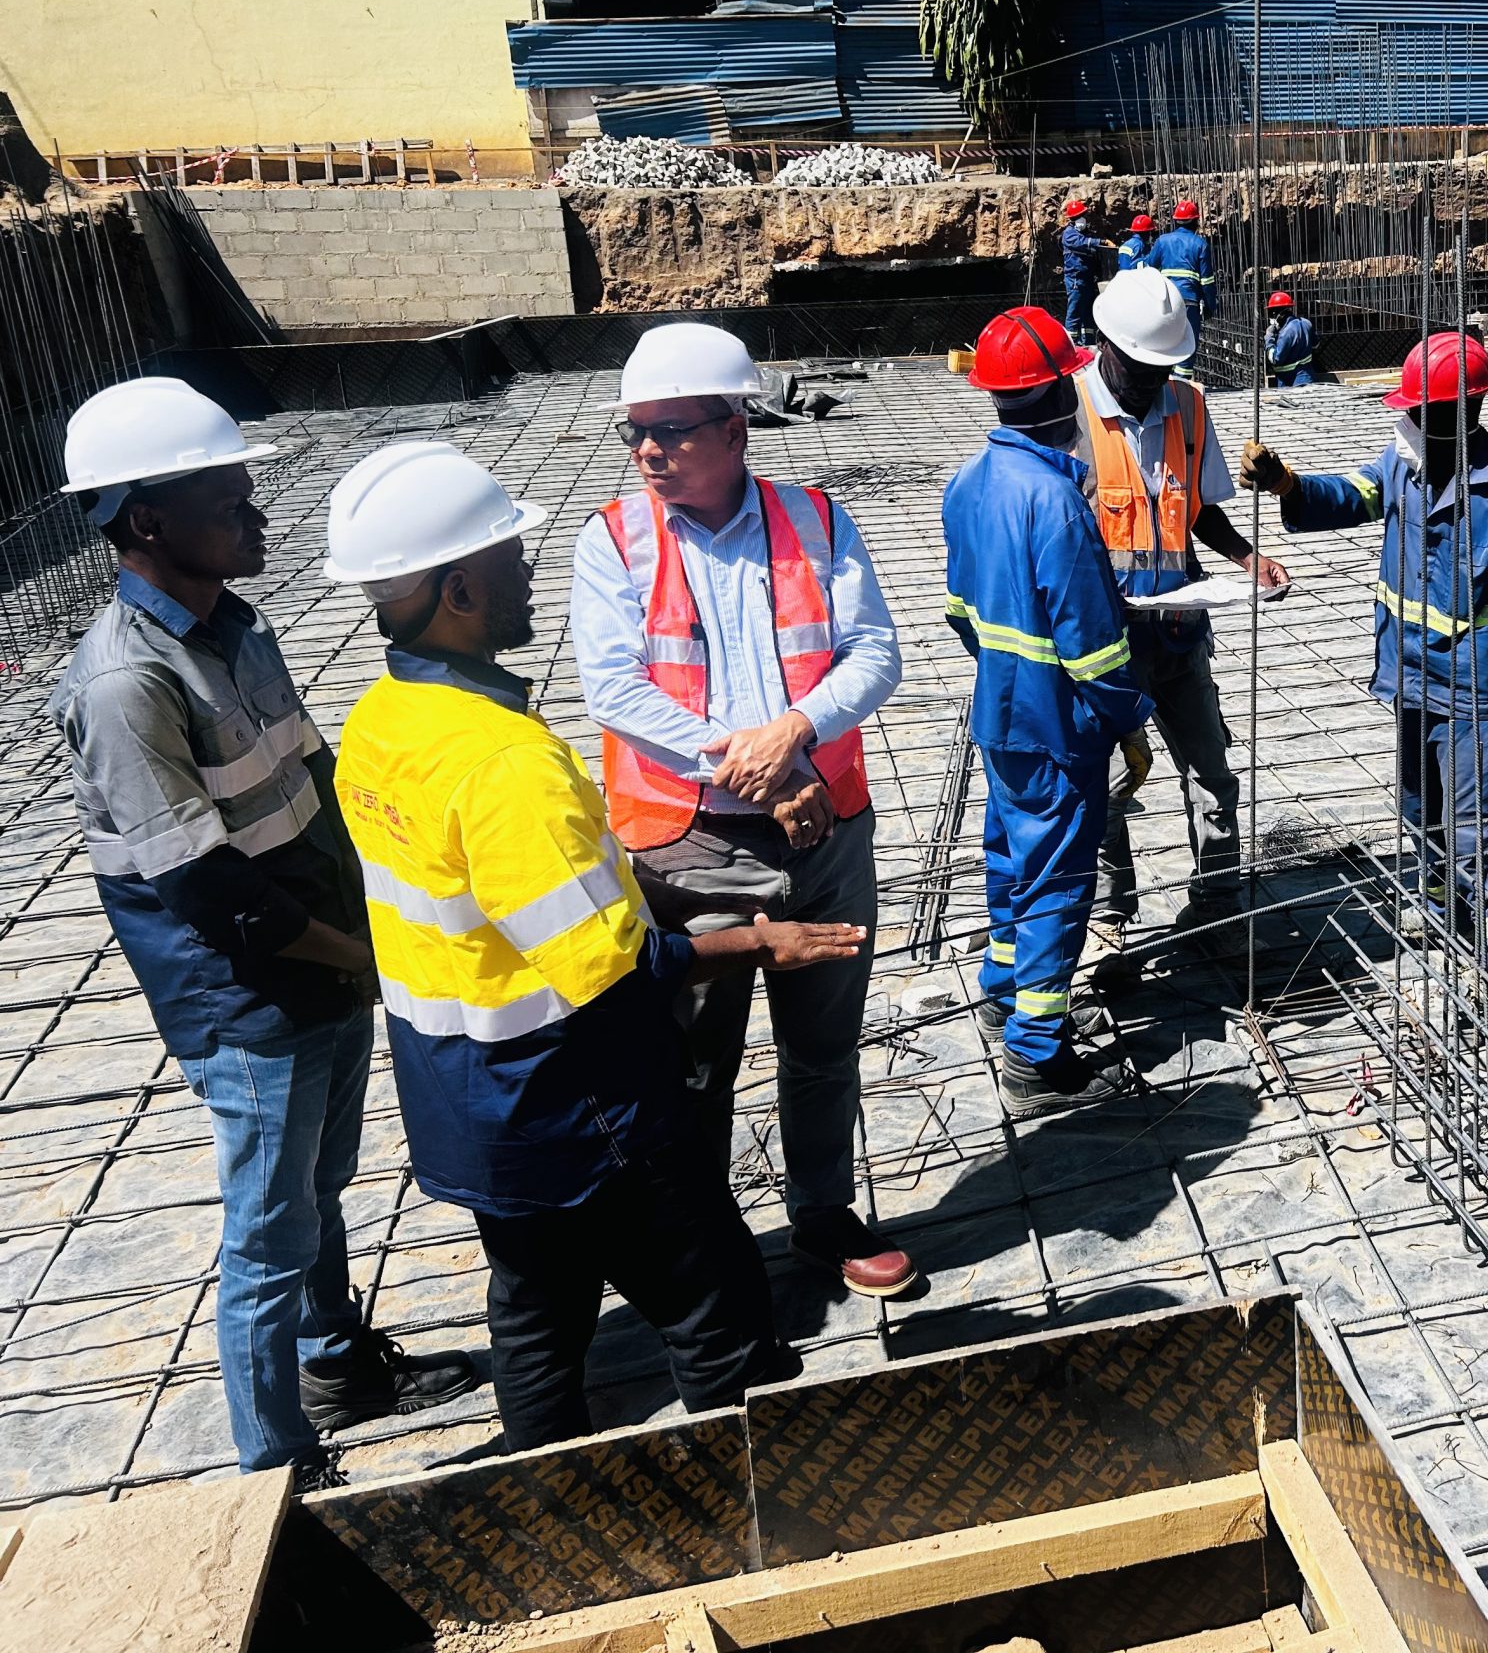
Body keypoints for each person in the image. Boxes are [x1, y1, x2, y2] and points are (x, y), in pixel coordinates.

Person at [326, 441, 845, 1452]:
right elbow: (610, 969)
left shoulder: (381, 721)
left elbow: (500, 897)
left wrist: (639, 882)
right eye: (514, 558)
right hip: (577, 1102)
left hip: (462, 1101)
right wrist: (757, 941)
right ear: (459, 587)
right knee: (719, 1312)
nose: (531, 573)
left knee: (536, 1313)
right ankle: (758, 1517)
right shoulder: (503, 761)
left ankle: (553, 1497)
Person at [47, 379, 470, 1492]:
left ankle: (339, 1367)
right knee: (267, 1231)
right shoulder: (128, 681)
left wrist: (382, 902)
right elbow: (208, 894)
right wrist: (362, 954)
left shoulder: (236, 627)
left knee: (316, 1188)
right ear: (147, 521)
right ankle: (275, 1465)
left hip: (318, 957)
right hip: (243, 995)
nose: (257, 517)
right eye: (229, 501)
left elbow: (309, 780)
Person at [569, 322, 910, 1299]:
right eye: (636, 431)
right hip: (694, 847)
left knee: (822, 1047)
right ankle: (707, 1248)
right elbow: (615, 692)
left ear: (736, 429)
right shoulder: (614, 540)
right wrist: (760, 768)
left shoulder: (815, 520)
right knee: (693, 1064)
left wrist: (794, 730)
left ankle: (822, 1214)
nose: (648, 451)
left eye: (672, 431)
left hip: (825, 836)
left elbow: (874, 653)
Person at [1238, 333, 1488, 977]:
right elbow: (1347, 497)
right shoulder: (1401, 466)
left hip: (1470, 692)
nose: (1406, 421)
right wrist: (1288, 485)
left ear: (1459, 416)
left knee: (1481, 828)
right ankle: (1443, 909)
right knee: (1418, 811)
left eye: (1420, 411)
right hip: (1407, 680)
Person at [944, 306, 1156, 1115]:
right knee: (1061, 884)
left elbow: (962, 611)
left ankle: (1006, 989)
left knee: (1012, 861)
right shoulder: (1056, 502)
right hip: (1061, 728)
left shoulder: (969, 483)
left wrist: (1008, 672)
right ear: (1066, 385)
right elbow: (1093, 646)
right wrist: (1129, 719)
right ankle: (1037, 1053)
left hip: (1000, 716)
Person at [1073, 266, 1292, 981]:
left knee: (1212, 774)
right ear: (1105, 344)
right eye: (1140, 366)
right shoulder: (1068, 411)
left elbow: (1197, 506)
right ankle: (1111, 917)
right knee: (1104, 786)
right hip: (1104, 646)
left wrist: (1246, 555)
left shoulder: (1189, 407)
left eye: (1162, 366)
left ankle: (1218, 907)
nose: (1150, 380)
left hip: (1179, 629)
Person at [1148, 201, 1217, 366]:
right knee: (1186, 346)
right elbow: (1207, 281)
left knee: (1165, 345)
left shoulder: (1162, 241)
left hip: (1165, 302)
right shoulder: (1200, 244)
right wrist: (1210, 306)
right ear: (1196, 221)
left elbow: (1149, 268)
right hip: (1188, 302)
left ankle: (1167, 385)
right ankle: (1182, 385)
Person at [1059, 199, 1115, 347]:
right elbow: (1083, 243)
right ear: (1072, 220)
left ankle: (1089, 343)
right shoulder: (1069, 235)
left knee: (1089, 314)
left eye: (1083, 215)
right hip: (1075, 280)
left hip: (1088, 279)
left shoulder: (1086, 234)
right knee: (1075, 313)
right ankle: (1072, 344)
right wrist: (1102, 242)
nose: (1082, 219)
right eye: (1079, 216)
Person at [1264, 291, 1326, 387]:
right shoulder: (1306, 323)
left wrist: (1269, 339)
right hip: (1307, 376)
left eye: (1272, 314)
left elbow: (1275, 358)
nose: (1272, 318)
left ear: (1280, 315)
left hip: (1288, 381)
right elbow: (1316, 344)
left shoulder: (1286, 333)